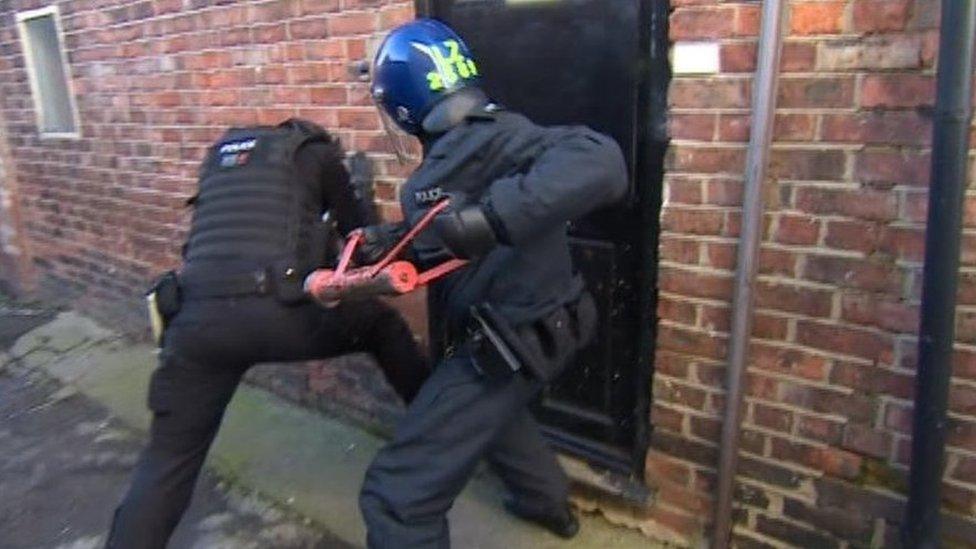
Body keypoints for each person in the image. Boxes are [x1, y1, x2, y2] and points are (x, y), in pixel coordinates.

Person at [353, 19, 628, 548]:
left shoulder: (482, 155)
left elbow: (603, 161)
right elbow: (442, 238)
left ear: (405, 105)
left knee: (396, 494)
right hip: (555, 323)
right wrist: (384, 242)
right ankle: (548, 506)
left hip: (506, 340)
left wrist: (489, 220)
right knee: (497, 417)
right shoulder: (502, 139)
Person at [106, 118, 430, 549]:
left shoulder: (218, 158)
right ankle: (439, 426)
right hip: (283, 314)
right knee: (383, 325)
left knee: (167, 462)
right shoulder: (314, 151)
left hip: (196, 320)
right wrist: (359, 192)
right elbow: (364, 242)